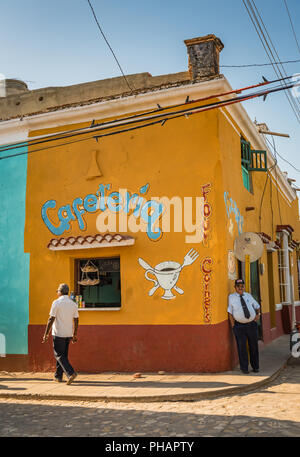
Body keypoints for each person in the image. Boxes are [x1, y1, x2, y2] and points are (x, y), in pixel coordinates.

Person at [42, 283, 79, 385]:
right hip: (68, 333)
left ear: (60, 292)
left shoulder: (56, 303)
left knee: (58, 355)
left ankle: (71, 373)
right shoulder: (73, 304)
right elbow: (76, 320)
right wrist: (75, 334)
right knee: (63, 356)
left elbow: (51, 319)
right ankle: (58, 376)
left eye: (57, 291)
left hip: (58, 333)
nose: (57, 292)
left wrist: (46, 334)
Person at [228, 278, 261, 374]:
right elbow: (230, 312)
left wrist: (258, 314)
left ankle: (255, 367)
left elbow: (257, 306)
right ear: (235, 287)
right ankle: (244, 368)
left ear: (244, 287)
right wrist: (233, 326)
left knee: (254, 346)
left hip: (252, 325)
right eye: (238, 286)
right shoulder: (231, 297)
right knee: (242, 347)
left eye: (242, 286)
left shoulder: (248, 296)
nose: (240, 288)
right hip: (239, 327)